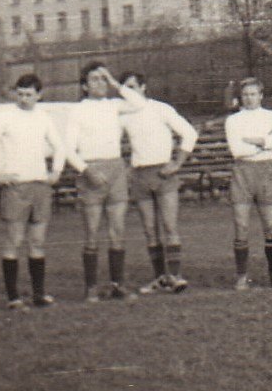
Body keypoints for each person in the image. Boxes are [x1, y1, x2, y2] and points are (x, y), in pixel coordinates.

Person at [62, 62, 147, 301]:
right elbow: (69, 149)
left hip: (115, 168)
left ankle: (117, 284)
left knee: (117, 230)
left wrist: (114, 82)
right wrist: (86, 171)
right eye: (94, 79)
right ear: (84, 86)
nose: (100, 83)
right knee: (91, 232)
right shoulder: (77, 111)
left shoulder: (114, 105)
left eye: (102, 79)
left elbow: (139, 103)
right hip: (91, 171)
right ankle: (91, 288)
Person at [0, 73, 67, 309]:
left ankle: (39, 294)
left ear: (39, 95)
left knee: (37, 241)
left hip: (39, 185)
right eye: (20, 94)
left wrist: (56, 171)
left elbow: (60, 147)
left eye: (29, 95)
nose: (24, 99)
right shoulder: (4, 118)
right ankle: (13, 298)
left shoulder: (44, 118)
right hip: (16, 187)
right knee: (14, 240)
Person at [119, 72, 198, 295]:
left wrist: (177, 163)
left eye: (133, 86)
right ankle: (159, 278)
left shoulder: (160, 109)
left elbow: (189, 133)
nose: (129, 92)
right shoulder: (123, 115)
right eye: (125, 88)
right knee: (150, 231)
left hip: (164, 173)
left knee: (170, 227)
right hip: (140, 176)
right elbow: (110, 141)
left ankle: (176, 276)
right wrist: (125, 167)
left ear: (143, 87)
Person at [223, 77, 272, 289]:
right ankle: (241, 276)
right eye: (245, 95)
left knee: (271, 226)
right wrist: (265, 142)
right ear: (241, 97)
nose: (249, 98)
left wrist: (256, 141)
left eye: (253, 94)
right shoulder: (233, 120)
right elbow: (237, 151)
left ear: (261, 95)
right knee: (241, 226)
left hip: (266, 171)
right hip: (242, 172)